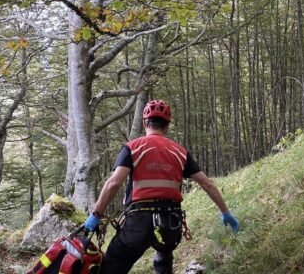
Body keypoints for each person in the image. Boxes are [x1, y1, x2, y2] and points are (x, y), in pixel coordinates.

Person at [83, 99, 239, 274]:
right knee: (164, 258)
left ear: (144, 124)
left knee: (112, 266)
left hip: (138, 222)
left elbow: (114, 183)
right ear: (167, 126)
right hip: (170, 223)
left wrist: (96, 214)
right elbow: (206, 183)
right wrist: (225, 212)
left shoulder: (132, 148)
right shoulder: (180, 152)